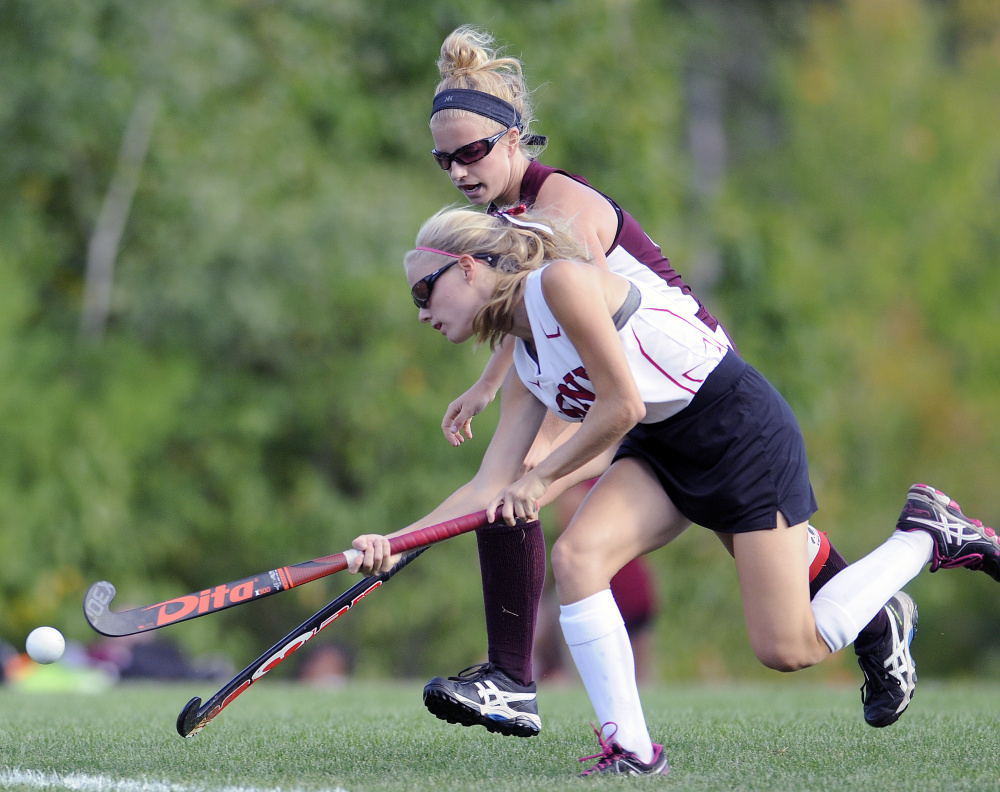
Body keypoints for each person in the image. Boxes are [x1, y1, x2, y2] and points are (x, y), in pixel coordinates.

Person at [349, 206, 1000, 776]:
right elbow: (490, 486)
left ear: (466, 268)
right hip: (664, 450)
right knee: (578, 560)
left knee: (788, 648)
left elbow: (622, 404)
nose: (423, 313)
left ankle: (926, 535)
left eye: (423, 293)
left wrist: (542, 478)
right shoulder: (524, 357)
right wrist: (394, 543)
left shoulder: (561, 286)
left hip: (737, 432)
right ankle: (631, 752)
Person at [416, 25, 908, 739]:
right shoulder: (502, 221)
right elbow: (527, 317)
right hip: (652, 419)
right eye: (444, 159)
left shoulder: (563, 211)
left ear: (515, 138)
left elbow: (582, 328)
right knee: (566, 541)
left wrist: (539, 454)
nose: (460, 170)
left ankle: (921, 539)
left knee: (785, 641)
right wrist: (494, 384)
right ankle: (578, 718)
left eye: (473, 152)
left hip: (698, 399)